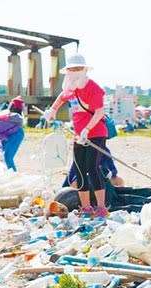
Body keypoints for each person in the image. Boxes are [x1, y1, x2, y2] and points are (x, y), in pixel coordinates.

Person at [43, 54, 110, 217]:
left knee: (92, 168)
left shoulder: (93, 87)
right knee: (79, 170)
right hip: (78, 135)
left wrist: (87, 130)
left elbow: (99, 112)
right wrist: (53, 110)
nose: (74, 71)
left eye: (78, 68)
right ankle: (86, 207)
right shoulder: (70, 88)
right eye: (71, 69)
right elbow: (61, 97)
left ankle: (101, 207)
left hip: (95, 133)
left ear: (84, 70)